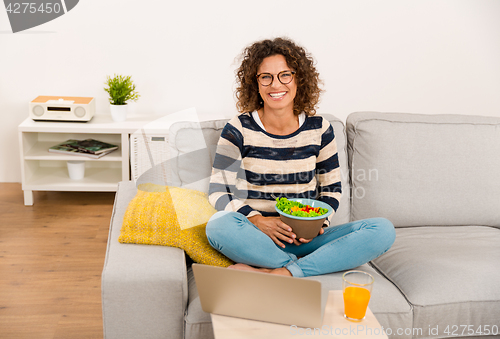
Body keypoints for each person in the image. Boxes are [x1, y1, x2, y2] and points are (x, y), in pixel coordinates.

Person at [206, 37, 395, 277]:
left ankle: (282, 270)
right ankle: (301, 266)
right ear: (255, 83)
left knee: (382, 230)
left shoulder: (319, 128)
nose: (276, 85)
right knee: (218, 226)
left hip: (307, 238)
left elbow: (332, 189)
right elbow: (218, 191)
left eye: (285, 75)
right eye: (266, 77)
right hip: (257, 237)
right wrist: (255, 220)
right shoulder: (238, 128)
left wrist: (319, 224)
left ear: (298, 79)